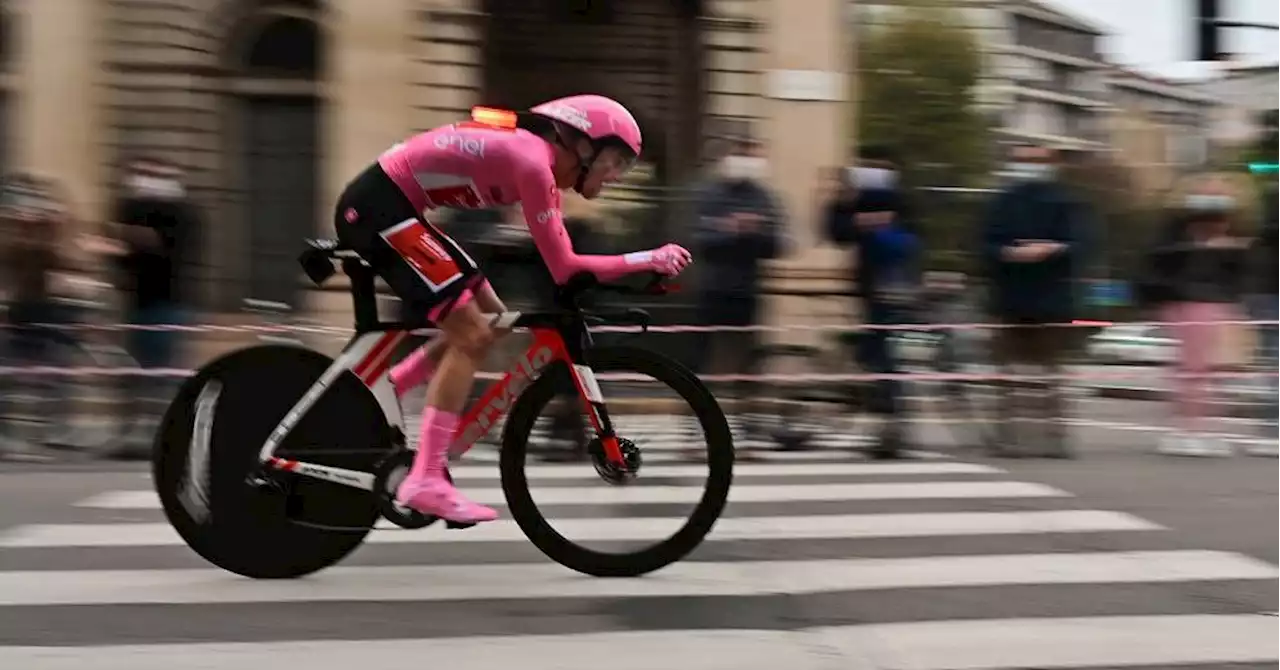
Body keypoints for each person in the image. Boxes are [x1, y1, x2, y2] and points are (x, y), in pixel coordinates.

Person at [333, 95, 692, 525]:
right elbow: (565, 268)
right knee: (472, 335)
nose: (616, 174)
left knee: (493, 319)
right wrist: (647, 259)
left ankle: (398, 382)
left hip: (397, 208)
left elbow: (563, 263)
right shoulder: (533, 162)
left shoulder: (538, 163)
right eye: (614, 160)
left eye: (624, 166)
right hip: (377, 210)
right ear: (583, 145)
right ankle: (426, 479)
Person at [1140, 175, 1250, 456]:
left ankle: (1200, 427)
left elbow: (1239, 269)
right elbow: (1157, 257)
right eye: (1207, 193)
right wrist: (1200, 248)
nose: (1213, 199)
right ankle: (1189, 428)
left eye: (1219, 194)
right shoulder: (1177, 226)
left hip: (1218, 300)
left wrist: (1233, 251)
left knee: (1211, 369)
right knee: (1193, 369)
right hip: (1185, 299)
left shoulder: (1229, 225)